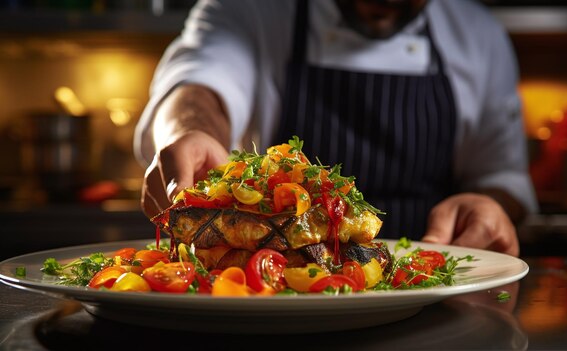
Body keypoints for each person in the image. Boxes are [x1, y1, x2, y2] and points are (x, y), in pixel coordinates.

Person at [134, 0, 538, 257]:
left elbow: (503, 177)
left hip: (431, 296)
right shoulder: (249, 11)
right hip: (275, 304)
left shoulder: (479, 34)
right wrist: (187, 132)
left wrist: (490, 205)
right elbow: (197, 87)